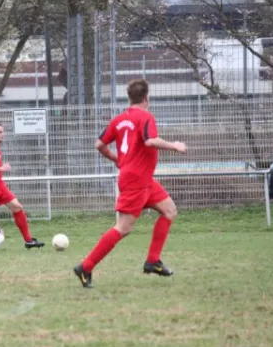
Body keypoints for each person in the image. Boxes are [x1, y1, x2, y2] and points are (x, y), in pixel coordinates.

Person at [73, 79, 187, 289]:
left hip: (144, 180)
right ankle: (85, 266)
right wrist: (175, 146)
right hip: (136, 180)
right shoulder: (146, 116)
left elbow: (99, 144)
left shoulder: (118, 119)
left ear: (129, 97)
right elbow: (150, 141)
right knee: (123, 228)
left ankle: (153, 261)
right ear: (147, 98)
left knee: (169, 210)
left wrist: (119, 160)